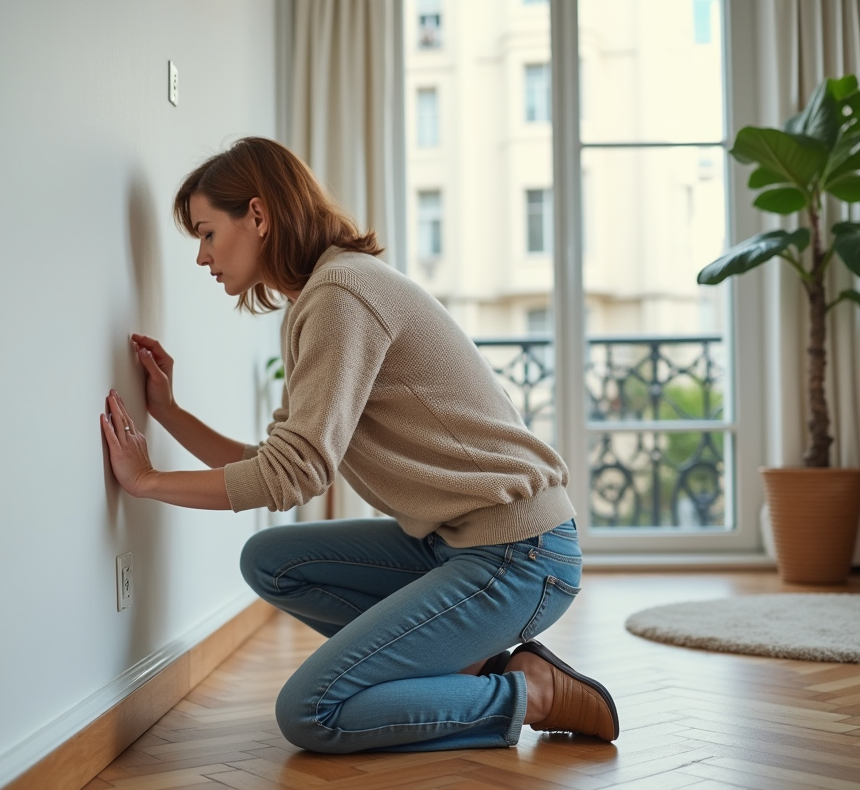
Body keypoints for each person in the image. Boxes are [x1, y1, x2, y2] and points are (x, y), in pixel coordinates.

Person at [100, 136, 618, 754]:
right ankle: (473, 670)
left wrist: (147, 482)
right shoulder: (322, 296)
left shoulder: (341, 294)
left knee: (312, 711)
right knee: (271, 560)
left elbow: (290, 478)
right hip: (456, 544)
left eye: (208, 233)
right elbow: (279, 463)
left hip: (519, 555)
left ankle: (531, 692)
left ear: (258, 216)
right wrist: (169, 413)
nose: (202, 257)